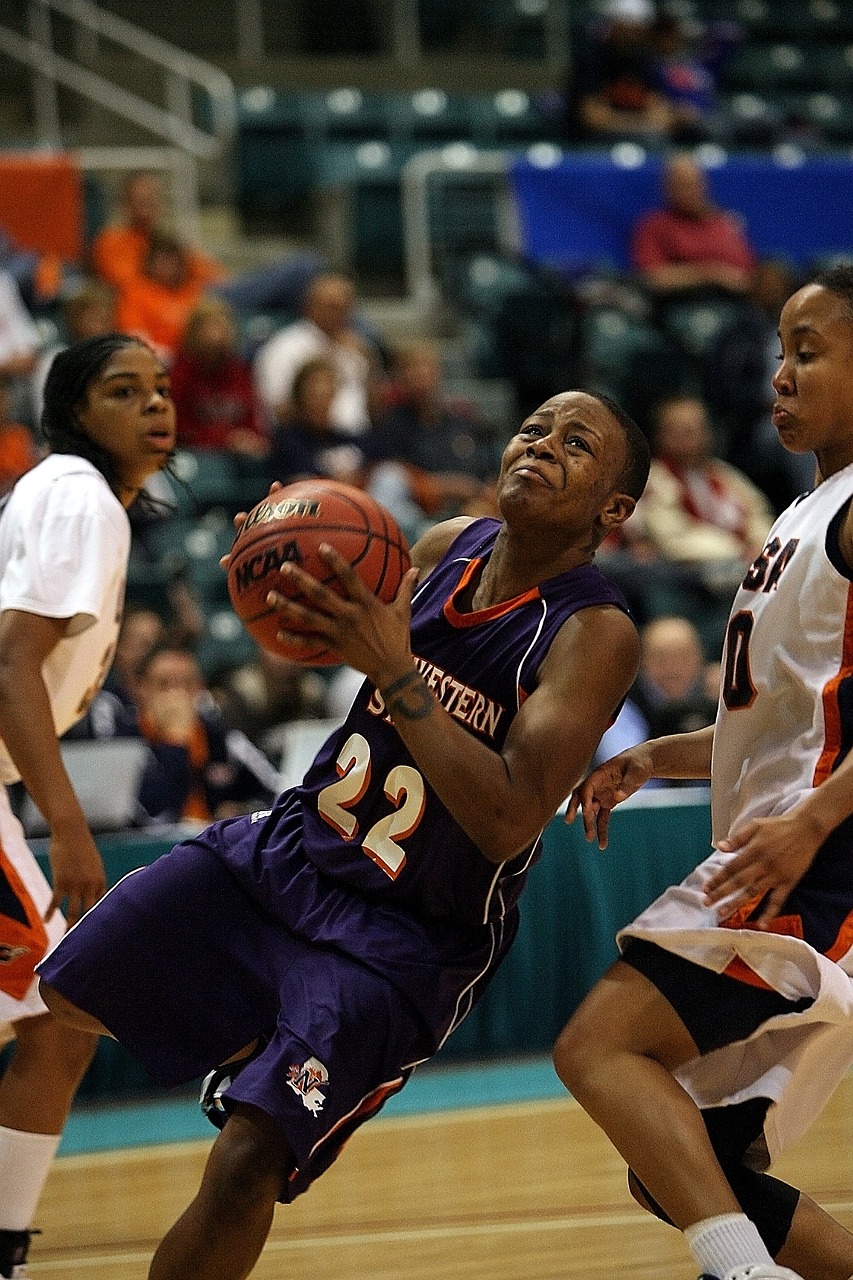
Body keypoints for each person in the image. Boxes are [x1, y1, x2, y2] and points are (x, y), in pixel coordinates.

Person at [37, 388, 652, 1280]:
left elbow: (512, 817)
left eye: (575, 443)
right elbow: (331, 629)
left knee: (249, 1160)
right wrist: (285, 561)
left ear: (614, 509)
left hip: (405, 940)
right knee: (58, 997)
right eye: (532, 428)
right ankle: (257, 1041)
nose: (541, 444)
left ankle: (269, 1066)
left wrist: (403, 675)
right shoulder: (443, 547)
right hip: (287, 854)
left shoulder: (592, 635)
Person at [553, 265, 853, 1280]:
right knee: (683, 1162)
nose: (778, 373)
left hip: (812, 860)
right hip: (784, 846)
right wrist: (653, 753)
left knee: (598, 1044)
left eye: (807, 352)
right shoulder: (799, 511)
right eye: (779, 349)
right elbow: (781, 716)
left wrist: (813, 820)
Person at [0, 333, 176, 1280]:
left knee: (55, 1020)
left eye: (160, 387)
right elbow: (10, 662)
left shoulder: (73, 495)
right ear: (76, 413)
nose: (155, 405)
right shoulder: (77, 492)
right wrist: (69, 829)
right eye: (122, 390)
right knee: (56, 1017)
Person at [362, 338, 499, 543]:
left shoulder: (462, 420)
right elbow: (391, 477)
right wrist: (444, 486)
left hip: (476, 507)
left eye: (426, 368)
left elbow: (491, 470)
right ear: (400, 377)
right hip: (423, 516)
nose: (421, 375)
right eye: (413, 369)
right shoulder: (389, 426)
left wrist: (484, 495)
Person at [253, 272, 382, 435]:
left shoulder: (357, 347)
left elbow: (375, 409)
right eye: (331, 306)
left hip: (359, 440)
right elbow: (276, 408)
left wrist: (370, 360)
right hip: (307, 440)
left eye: (344, 307)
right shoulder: (285, 347)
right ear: (309, 306)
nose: (338, 314)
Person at [631, 154, 756, 304]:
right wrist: (710, 273)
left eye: (693, 184)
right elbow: (652, 278)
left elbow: (746, 272)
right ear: (666, 188)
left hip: (735, 302)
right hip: (683, 304)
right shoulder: (654, 225)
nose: (689, 191)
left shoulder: (724, 222)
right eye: (681, 184)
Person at [564, 0, 676, 146]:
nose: (632, 35)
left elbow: (662, 118)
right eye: (627, 27)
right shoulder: (592, 59)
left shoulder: (647, 62)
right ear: (614, 26)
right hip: (590, 148)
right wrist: (643, 123)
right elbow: (594, 118)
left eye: (638, 28)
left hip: (643, 143)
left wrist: (615, 120)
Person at [170, 298, 268, 458]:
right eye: (209, 327)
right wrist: (225, 439)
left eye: (222, 326)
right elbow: (179, 431)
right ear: (194, 332)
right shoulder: (179, 374)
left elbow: (253, 419)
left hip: (239, 458)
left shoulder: (239, 371)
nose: (217, 335)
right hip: (195, 458)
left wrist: (252, 438)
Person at [267, 355, 364, 485]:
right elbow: (296, 483)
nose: (322, 403)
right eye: (315, 395)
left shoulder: (345, 438)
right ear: (300, 396)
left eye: (328, 393)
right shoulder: (287, 440)